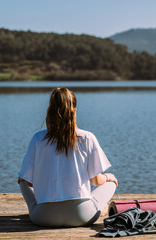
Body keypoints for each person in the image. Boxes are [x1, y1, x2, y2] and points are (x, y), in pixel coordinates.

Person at [18, 87, 118, 227]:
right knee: (110, 182)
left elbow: (27, 181)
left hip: (43, 217)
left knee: (21, 179)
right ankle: (98, 206)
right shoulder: (87, 138)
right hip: (81, 215)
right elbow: (96, 180)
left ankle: (36, 207)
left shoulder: (37, 139)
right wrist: (108, 177)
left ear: (50, 111)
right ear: (74, 111)